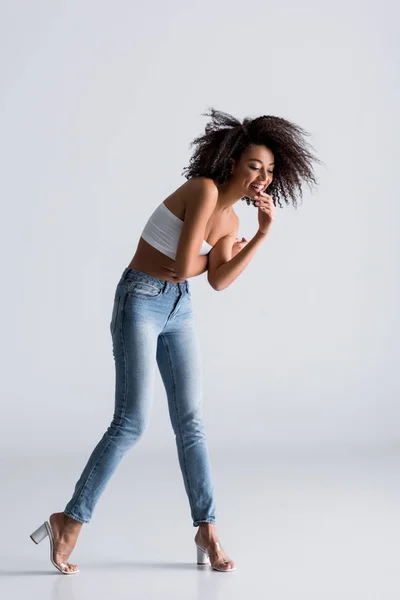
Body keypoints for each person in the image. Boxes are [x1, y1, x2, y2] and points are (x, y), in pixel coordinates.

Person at [30, 108, 320, 574]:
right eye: (253, 166)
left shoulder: (229, 222)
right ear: (232, 162)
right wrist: (224, 254)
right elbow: (189, 265)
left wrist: (260, 236)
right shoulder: (204, 191)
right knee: (131, 423)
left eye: (269, 171)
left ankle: (207, 528)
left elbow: (219, 281)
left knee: (191, 421)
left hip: (178, 307)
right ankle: (69, 520)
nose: (261, 178)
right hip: (141, 299)